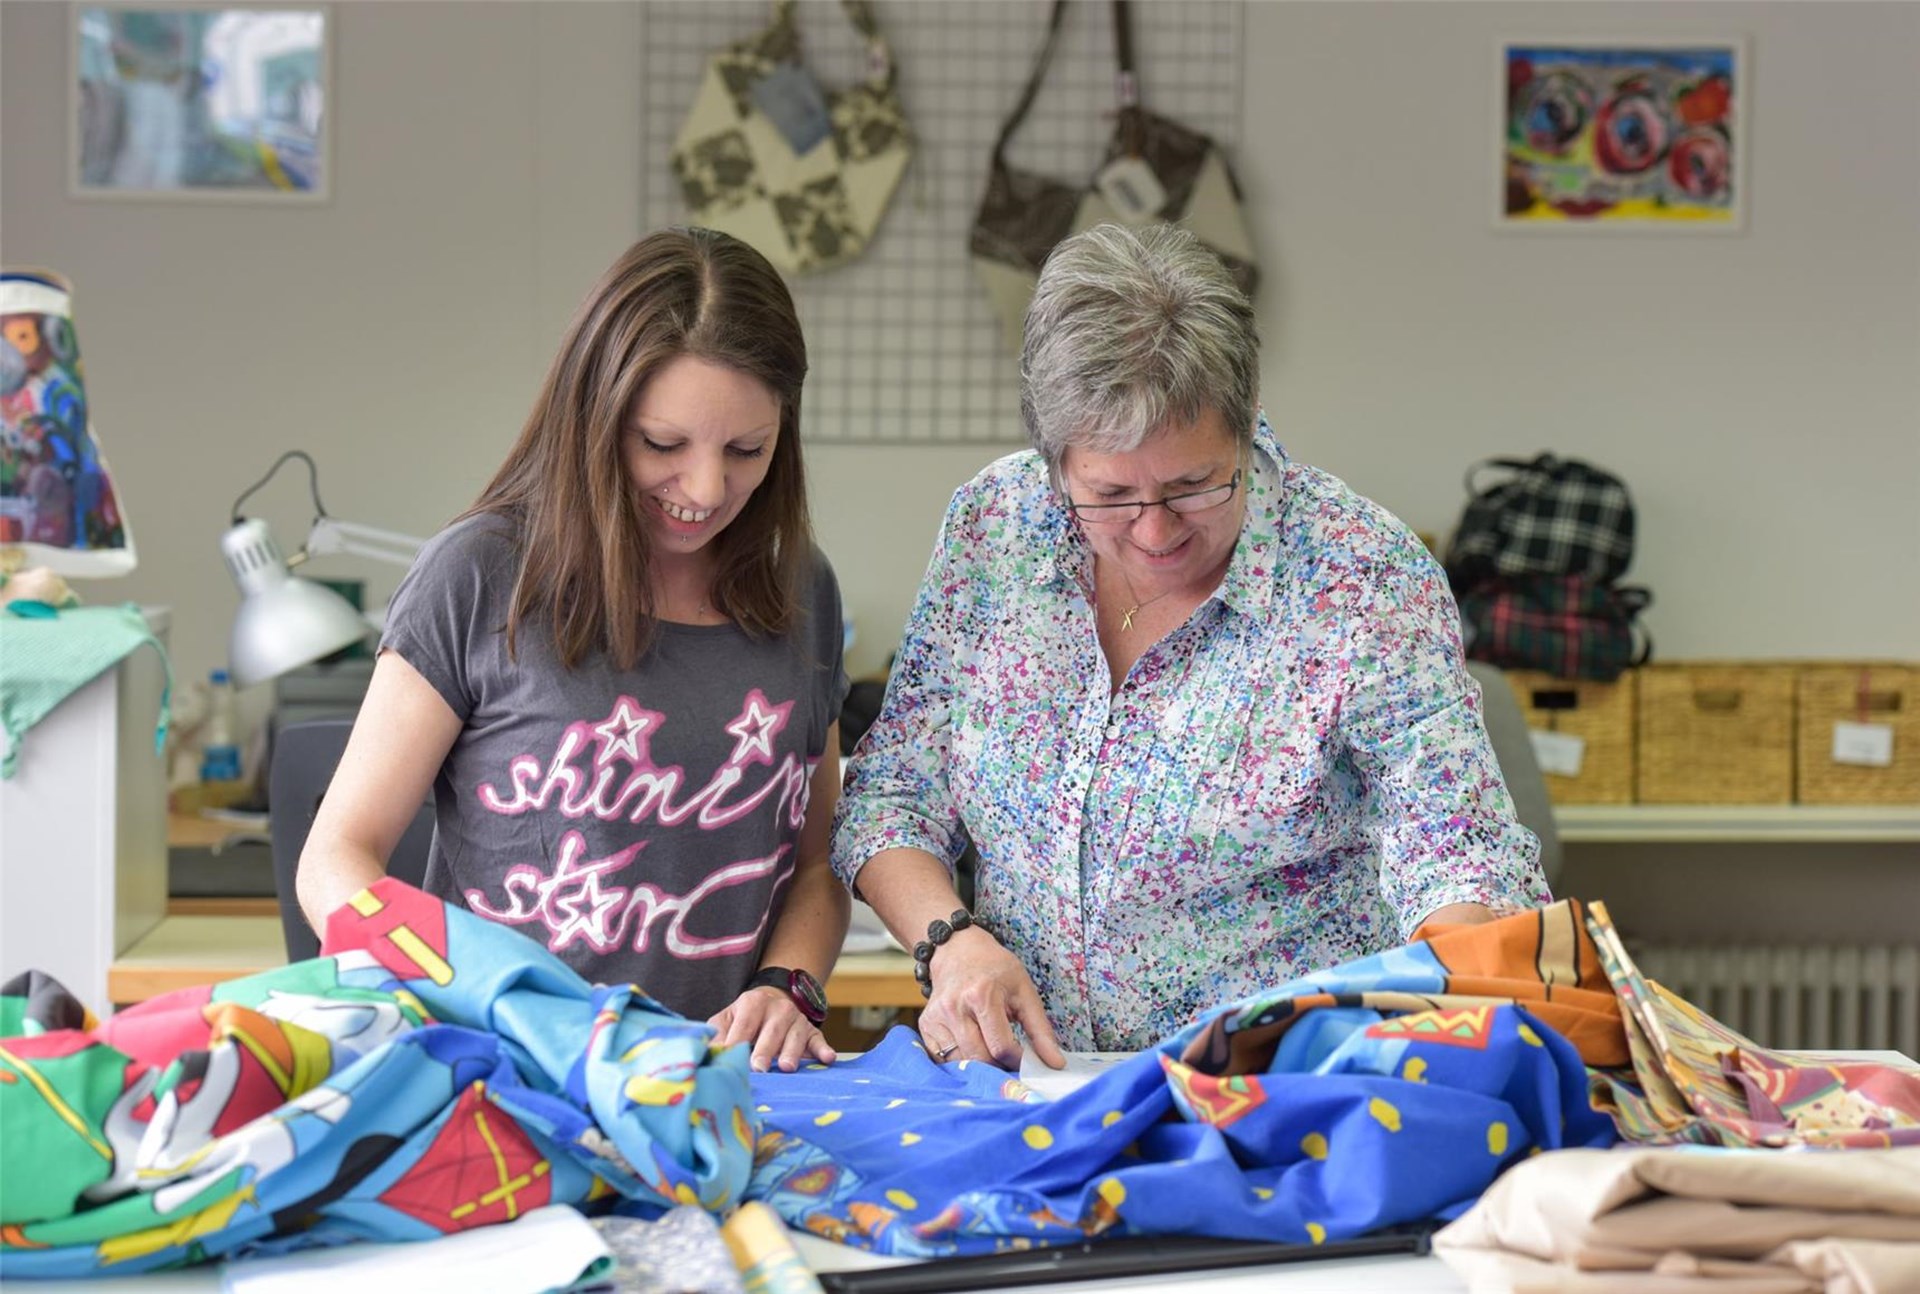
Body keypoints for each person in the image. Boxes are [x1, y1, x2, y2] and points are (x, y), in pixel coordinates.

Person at [833, 223, 1550, 1068]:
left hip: (1275, 1091)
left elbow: (1458, 852)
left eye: (1193, 485)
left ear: (1247, 424)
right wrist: (950, 942)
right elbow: (891, 796)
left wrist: (1455, 1013)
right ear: (1053, 458)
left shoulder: (1360, 577)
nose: (1154, 529)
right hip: (1029, 1082)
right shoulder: (998, 532)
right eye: (1108, 494)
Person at [297, 228, 851, 1073]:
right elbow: (336, 859)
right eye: (663, 445)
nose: (705, 490)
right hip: (507, 1074)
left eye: (747, 451)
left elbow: (819, 865)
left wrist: (790, 986)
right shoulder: (479, 574)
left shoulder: (799, 589)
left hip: (716, 1089)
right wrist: (476, 990)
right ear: (594, 420)